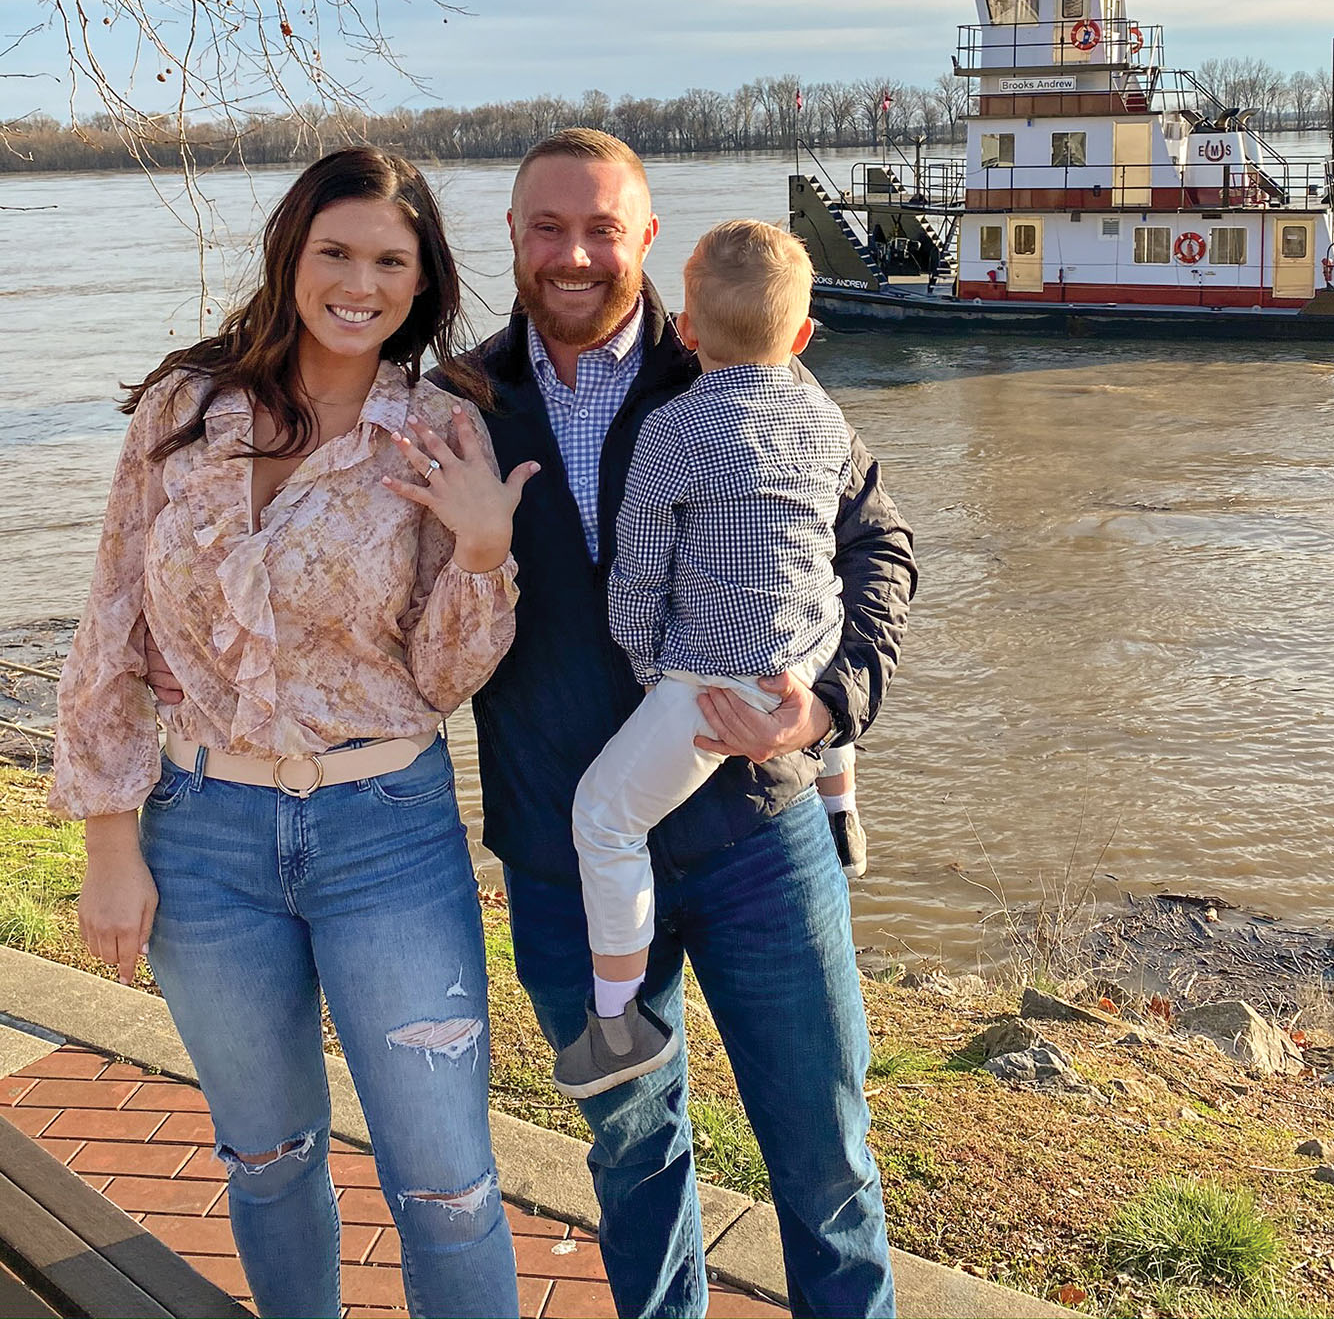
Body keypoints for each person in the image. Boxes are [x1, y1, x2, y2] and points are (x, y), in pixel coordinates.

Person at [148, 127, 916, 1319]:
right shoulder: (453, 407)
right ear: (509, 237)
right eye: (548, 226)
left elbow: (876, 546)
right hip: (563, 855)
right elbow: (386, 632)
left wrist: (828, 702)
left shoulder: (743, 366)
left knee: (824, 1163)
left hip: (757, 837)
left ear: (647, 237)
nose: (574, 253)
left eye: (603, 227)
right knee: (633, 1155)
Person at [53, 147, 538, 1319]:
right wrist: (109, 844)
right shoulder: (184, 410)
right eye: (336, 250)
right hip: (203, 832)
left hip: (387, 832)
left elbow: (439, 676)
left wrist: (481, 551)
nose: (358, 281)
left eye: (390, 260)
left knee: (445, 1182)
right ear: (292, 254)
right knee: (266, 1158)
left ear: (422, 285)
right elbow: (110, 617)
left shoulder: (439, 432)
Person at [556, 218, 866, 1097]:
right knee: (822, 628)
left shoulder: (672, 431)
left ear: (686, 331)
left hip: (712, 682)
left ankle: (617, 1021)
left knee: (605, 818)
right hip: (810, 651)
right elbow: (847, 543)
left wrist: (653, 668)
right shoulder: (825, 415)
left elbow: (638, 569)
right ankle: (840, 808)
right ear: (803, 338)